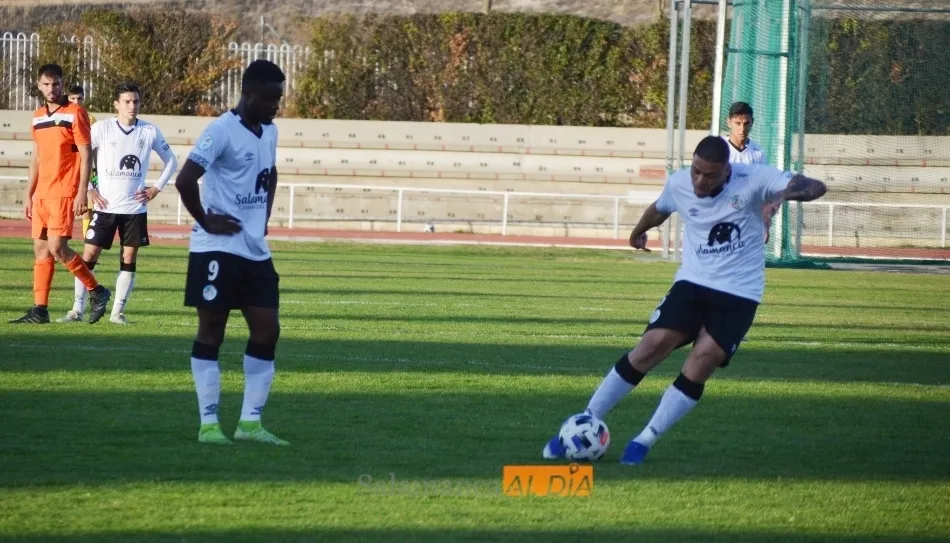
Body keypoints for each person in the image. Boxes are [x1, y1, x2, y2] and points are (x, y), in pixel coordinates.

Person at [541, 136, 827, 465]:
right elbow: (660, 207)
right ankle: (582, 422)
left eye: (711, 175)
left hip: (740, 293)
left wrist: (776, 197)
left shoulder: (757, 179)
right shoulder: (680, 182)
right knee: (651, 346)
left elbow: (812, 186)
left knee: (702, 360)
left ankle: (644, 440)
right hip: (693, 282)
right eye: (696, 172)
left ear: (727, 170)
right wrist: (638, 230)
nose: (700, 181)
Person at [176, 60, 288, 446]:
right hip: (217, 249)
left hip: (254, 250)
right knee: (212, 330)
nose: (277, 106)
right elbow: (185, 179)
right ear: (249, 94)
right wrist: (206, 221)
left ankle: (250, 424)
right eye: (271, 99)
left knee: (268, 329)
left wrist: (264, 216)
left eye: (279, 98)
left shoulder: (269, 131)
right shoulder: (221, 130)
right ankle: (209, 425)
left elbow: (270, 173)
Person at [58, 83, 179, 324]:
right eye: (127, 101)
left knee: (129, 258)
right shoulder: (101, 128)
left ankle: (117, 313)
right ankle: (76, 309)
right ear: (116, 104)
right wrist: (90, 188)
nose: (132, 106)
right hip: (104, 207)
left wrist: (156, 188)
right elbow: (81, 157)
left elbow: (172, 162)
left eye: (135, 101)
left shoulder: (149, 131)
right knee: (89, 254)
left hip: (134, 209)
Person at [9, 64, 110, 324]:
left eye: (55, 84)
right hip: (42, 193)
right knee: (41, 249)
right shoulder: (37, 116)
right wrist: (29, 194)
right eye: (46, 84)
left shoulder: (76, 113)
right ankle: (39, 310)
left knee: (57, 247)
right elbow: (37, 158)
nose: (51, 89)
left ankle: (96, 290)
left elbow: (87, 156)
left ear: (62, 84)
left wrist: (81, 193)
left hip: (64, 191)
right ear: (38, 85)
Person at [722, 101, 781, 242]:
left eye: (746, 123)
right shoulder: (719, 148)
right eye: (738, 123)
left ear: (752, 122)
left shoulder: (758, 153)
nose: (742, 129)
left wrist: (766, 226)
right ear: (729, 122)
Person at [67, 85, 97, 236]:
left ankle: (88, 244)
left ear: (84, 99)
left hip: (84, 167)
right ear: (68, 98)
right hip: (67, 167)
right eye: (73, 98)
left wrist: (96, 168)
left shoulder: (90, 119)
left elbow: (94, 146)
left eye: (79, 98)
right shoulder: (63, 116)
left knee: (87, 209)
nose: (76, 101)